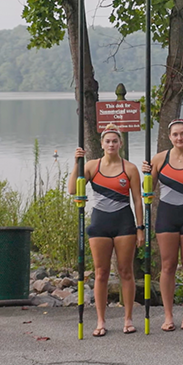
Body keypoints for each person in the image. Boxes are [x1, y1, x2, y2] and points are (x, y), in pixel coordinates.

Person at [68, 124, 143, 336]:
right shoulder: (92, 166)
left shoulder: (129, 169)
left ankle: (128, 319)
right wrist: (77, 164)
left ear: (120, 143)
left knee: (126, 271)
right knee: (100, 273)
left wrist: (140, 228)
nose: (111, 144)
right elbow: (73, 189)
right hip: (100, 223)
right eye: (107, 141)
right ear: (102, 144)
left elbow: (137, 200)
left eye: (114, 141)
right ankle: (101, 321)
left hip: (124, 224)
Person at [142, 118, 183, 331]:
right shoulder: (160, 159)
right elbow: (148, 190)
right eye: (175, 134)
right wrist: (145, 173)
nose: (179, 137)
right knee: (168, 265)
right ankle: (168, 316)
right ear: (170, 137)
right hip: (167, 216)